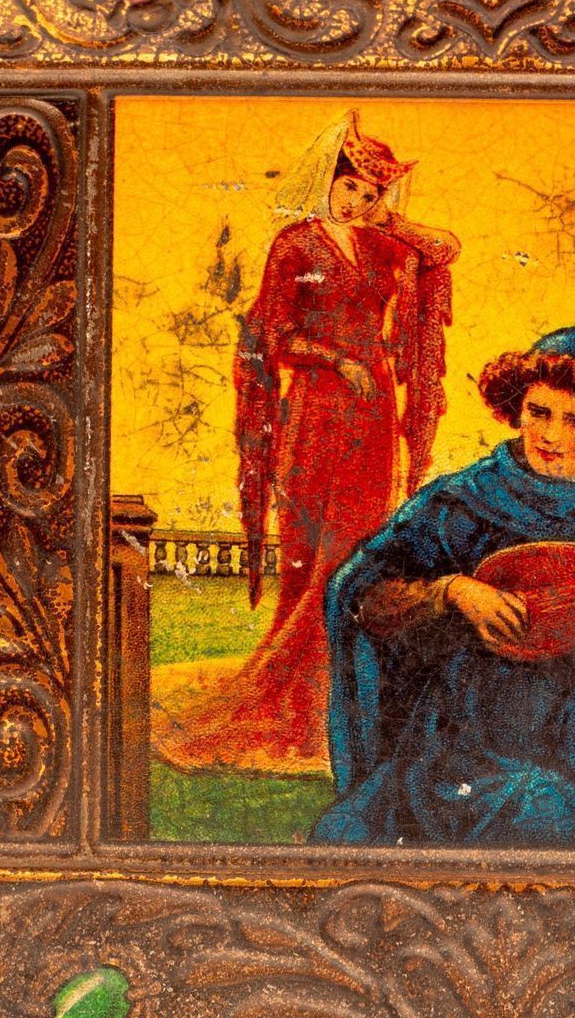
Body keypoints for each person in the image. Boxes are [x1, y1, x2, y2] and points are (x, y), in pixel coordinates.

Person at [311, 326, 575, 849]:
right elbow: (361, 594)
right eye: (538, 413)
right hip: (469, 751)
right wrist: (451, 592)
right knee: (543, 809)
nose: (551, 436)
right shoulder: (462, 503)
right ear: (516, 408)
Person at [153, 113, 457, 773]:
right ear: (330, 180)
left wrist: (392, 222)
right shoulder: (295, 245)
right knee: (308, 550)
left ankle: (342, 694)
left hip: (373, 412)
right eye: (350, 187)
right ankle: (297, 698)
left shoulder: (382, 247)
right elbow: (274, 335)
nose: (356, 202)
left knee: (357, 542)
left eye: (370, 193)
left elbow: (445, 250)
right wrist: (334, 359)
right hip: (315, 410)